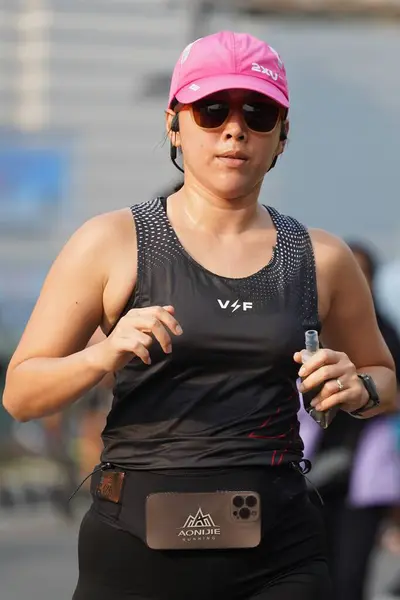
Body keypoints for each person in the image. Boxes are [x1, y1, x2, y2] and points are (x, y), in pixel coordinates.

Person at [2, 31, 397, 600]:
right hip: (136, 551)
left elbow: (386, 380)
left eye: (258, 113)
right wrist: (101, 353)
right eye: (212, 110)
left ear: (282, 135)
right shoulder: (112, 242)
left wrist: (356, 386)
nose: (234, 129)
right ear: (174, 124)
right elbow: (20, 393)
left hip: (281, 554)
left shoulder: (323, 257)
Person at [299, 240, 400, 600]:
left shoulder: (387, 336)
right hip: (313, 470)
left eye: (360, 274)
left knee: (350, 577)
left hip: (365, 472)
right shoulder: (309, 330)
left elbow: (391, 393)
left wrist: (362, 392)